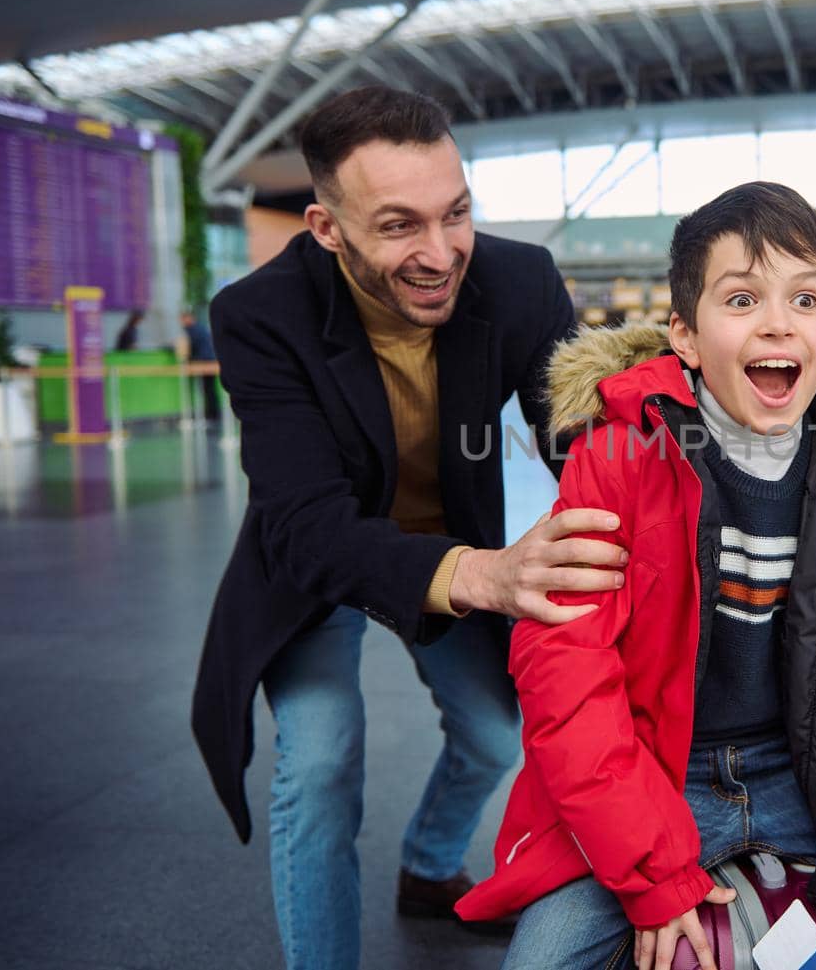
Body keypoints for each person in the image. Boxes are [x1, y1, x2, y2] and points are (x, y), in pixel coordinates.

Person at [457, 182, 816, 970]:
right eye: (741, 298)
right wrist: (653, 871)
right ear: (684, 335)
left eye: (804, 297)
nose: (777, 321)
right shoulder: (618, 460)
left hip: (806, 780)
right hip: (654, 774)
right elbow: (566, 675)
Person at [189, 87, 627, 970]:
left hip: (446, 543)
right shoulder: (259, 317)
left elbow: (582, 432)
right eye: (398, 226)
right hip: (319, 567)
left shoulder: (517, 279)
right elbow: (309, 526)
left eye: (455, 212)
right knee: (318, 768)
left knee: (498, 736)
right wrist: (491, 577)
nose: (440, 252)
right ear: (326, 227)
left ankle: (428, 865)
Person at [179, 308, 220, 421]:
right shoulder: (201, 328)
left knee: (207, 389)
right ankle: (213, 414)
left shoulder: (192, 330)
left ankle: (211, 415)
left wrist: (188, 360)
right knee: (209, 389)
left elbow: (191, 348)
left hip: (203, 362)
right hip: (210, 361)